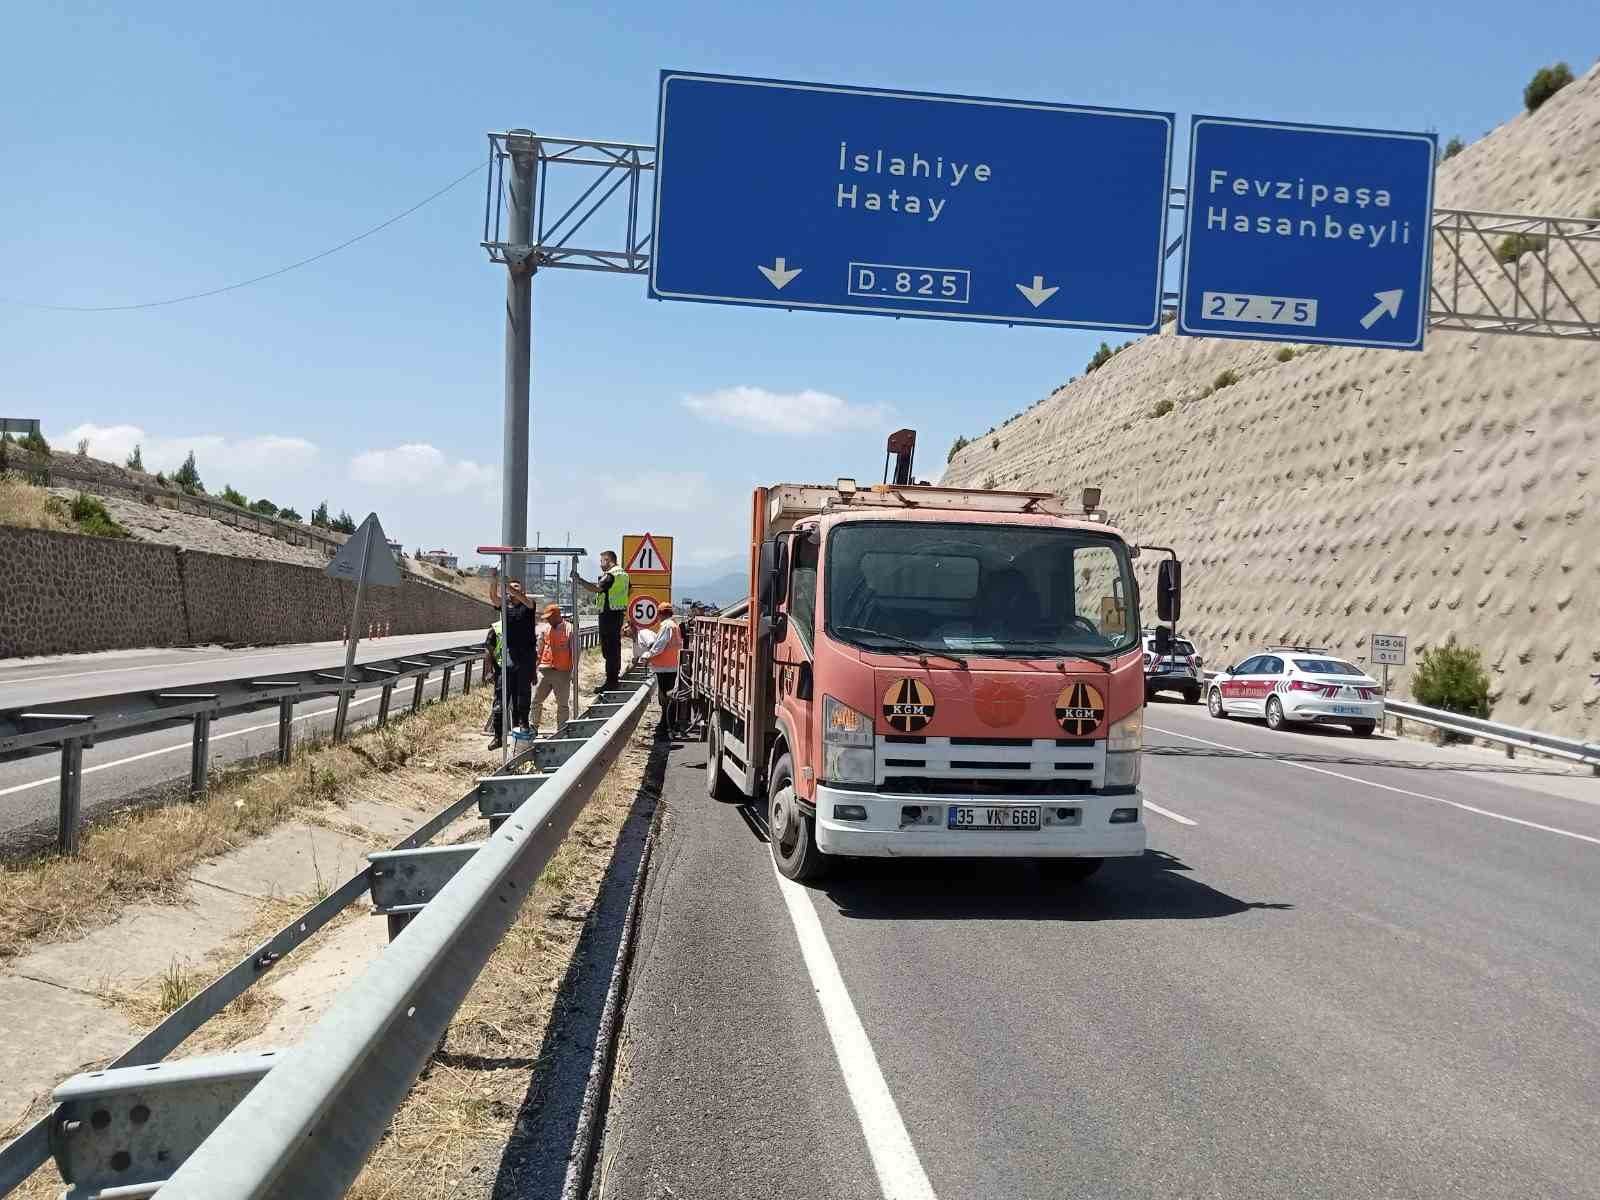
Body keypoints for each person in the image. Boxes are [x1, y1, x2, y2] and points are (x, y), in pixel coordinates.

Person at [487, 571, 538, 744]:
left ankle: (521, 728)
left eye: (517, 587)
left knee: (521, 696)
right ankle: (498, 736)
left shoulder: (529, 605)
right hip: (509, 655)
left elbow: (522, 598)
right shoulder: (505, 606)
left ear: (522, 590)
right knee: (501, 696)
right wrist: (494, 581)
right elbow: (494, 597)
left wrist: (507, 585)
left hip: (526, 656)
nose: (513, 590)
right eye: (512, 587)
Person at [572, 551, 629, 692]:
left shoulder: (611, 574)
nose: (600, 564)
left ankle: (611, 682)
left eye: (602, 561)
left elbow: (597, 588)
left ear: (608, 560)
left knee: (609, 650)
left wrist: (579, 580)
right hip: (618, 614)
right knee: (614, 649)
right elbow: (628, 590)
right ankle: (613, 679)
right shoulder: (623, 574)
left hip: (608, 615)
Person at [637, 604, 681, 740]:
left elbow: (659, 646)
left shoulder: (666, 626)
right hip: (672, 665)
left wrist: (647, 656)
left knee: (665, 698)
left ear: (660, 614)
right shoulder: (674, 625)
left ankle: (667, 727)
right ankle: (667, 725)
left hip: (665, 667)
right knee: (668, 697)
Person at [529, 603, 573, 733]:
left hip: (562, 673)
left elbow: (575, 652)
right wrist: (534, 670)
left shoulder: (570, 629)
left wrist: (574, 673)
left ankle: (562, 730)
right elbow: (539, 650)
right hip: (545, 671)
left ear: (558, 615)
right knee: (536, 701)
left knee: (562, 705)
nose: (548, 620)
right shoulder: (545, 629)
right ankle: (533, 727)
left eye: (550, 617)